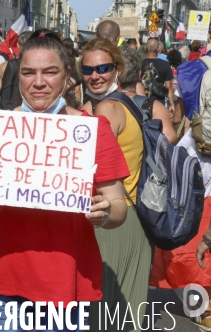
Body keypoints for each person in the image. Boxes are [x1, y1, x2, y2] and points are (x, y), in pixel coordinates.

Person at [0, 30, 129, 332]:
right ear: (19, 76)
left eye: (50, 72)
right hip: (0, 281)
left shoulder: (93, 130)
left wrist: (105, 212)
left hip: (65, 285)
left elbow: (119, 207)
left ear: (66, 75)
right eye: (29, 72)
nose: (38, 82)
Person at [80, 38, 155, 332]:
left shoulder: (107, 109)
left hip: (112, 221)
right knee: (123, 316)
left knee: (101, 316)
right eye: (88, 69)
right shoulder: (130, 104)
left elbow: (89, 161)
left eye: (103, 68)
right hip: (134, 218)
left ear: (117, 69)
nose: (95, 75)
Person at [141, 38, 175, 115]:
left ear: (145, 48)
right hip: (158, 103)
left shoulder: (139, 63)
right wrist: (172, 104)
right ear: (157, 50)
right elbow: (168, 86)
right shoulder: (165, 64)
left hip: (141, 102)